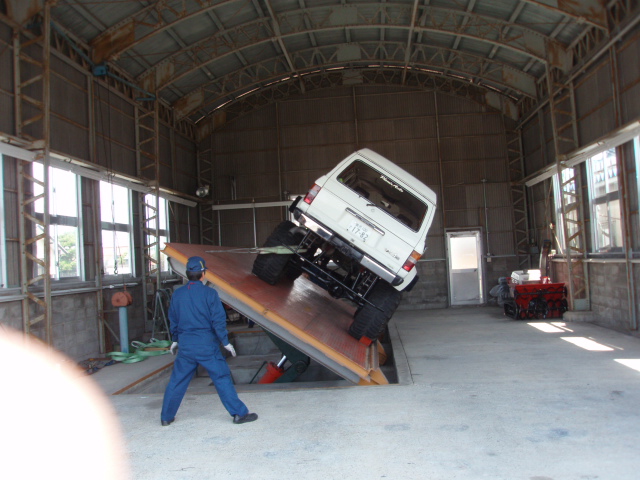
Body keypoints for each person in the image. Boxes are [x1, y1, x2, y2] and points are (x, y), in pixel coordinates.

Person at [160, 256, 258, 426]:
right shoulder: (210, 294)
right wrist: (225, 342)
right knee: (221, 377)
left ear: (188, 274)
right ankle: (239, 414)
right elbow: (218, 321)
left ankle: (166, 417)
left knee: (177, 381)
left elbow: (173, 320)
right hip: (206, 345)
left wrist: (175, 340)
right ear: (203, 274)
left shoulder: (178, 295)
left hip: (186, 346)